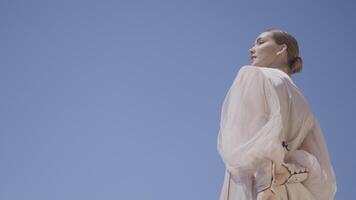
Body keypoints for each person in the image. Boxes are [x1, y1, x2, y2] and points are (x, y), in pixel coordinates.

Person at [217, 28, 337, 200]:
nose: (251, 49)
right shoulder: (304, 105)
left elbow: (257, 139)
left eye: (260, 42)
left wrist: (264, 186)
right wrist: (288, 172)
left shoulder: (254, 76)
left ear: (281, 49)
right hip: (287, 191)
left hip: (256, 186)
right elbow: (320, 173)